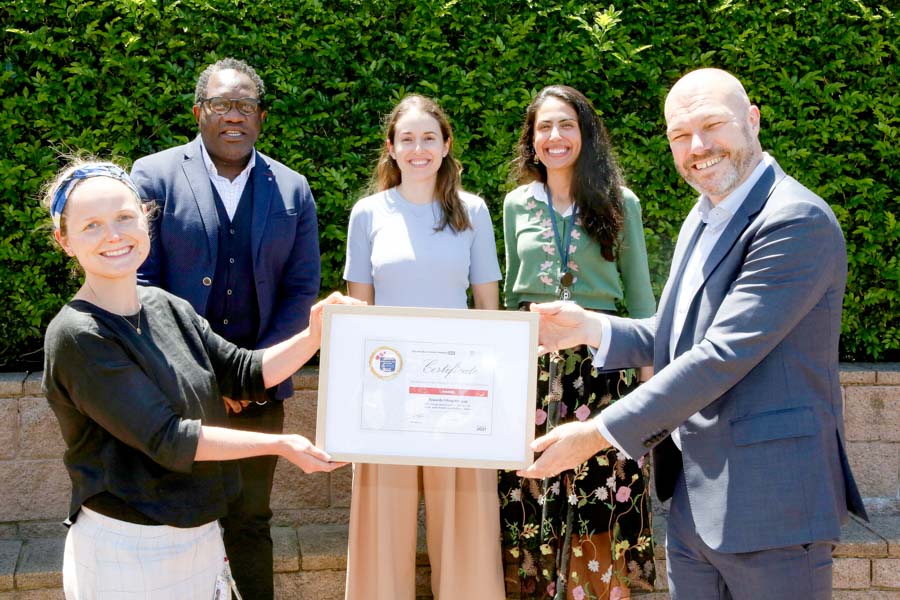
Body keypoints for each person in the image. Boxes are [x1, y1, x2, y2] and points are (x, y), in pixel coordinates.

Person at [519, 68, 868, 599]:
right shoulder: (704, 214)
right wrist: (589, 327)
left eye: (712, 125)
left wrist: (594, 435)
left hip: (773, 509)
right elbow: (677, 331)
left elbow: (721, 354)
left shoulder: (795, 220)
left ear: (751, 120)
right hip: (693, 505)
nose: (697, 146)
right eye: (680, 135)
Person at [40, 160, 353, 599]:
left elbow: (244, 372)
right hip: (128, 552)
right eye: (91, 225)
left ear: (146, 221)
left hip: (199, 536)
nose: (113, 235)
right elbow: (170, 438)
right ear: (64, 240)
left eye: (124, 218)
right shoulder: (79, 335)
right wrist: (281, 444)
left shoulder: (166, 306)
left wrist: (314, 334)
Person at [131, 58, 320, 599]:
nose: (232, 115)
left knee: (249, 520)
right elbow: (143, 284)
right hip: (176, 390)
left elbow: (301, 289)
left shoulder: (292, 188)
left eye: (244, 105)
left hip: (261, 398)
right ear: (199, 112)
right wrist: (211, 375)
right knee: (175, 518)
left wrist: (255, 375)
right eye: (220, 104)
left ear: (260, 117)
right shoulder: (153, 176)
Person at [342, 94, 505, 600]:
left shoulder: (473, 212)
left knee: (467, 534)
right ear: (390, 148)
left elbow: (489, 312)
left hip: (457, 397)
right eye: (407, 139)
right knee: (379, 534)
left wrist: (491, 400)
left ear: (446, 144)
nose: (418, 149)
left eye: (428, 138)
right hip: (386, 397)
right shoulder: (367, 214)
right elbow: (358, 319)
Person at [499, 85, 656, 600]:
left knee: (599, 498)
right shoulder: (515, 204)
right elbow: (508, 293)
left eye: (566, 124)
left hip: (604, 369)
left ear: (585, 133)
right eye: (544, 127)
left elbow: (640, 298)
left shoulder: (619, 202)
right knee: (530, 493)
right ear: (532, 140)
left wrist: (652, 395)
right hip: (534, 369)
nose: (555, 136)